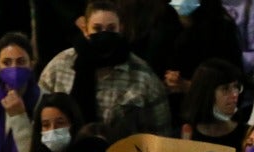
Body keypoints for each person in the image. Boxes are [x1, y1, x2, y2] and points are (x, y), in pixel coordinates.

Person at [36, 1, 172, 139]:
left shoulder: (142, 75)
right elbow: (38, 119)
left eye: (111, 28)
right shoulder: (60, 66)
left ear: (121, 28)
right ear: (86, 29)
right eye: (97, 28)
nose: (104, 34)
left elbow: (160, 134)